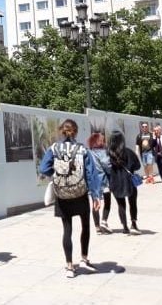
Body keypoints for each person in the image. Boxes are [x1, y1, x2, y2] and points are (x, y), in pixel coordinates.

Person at [39, 119, 102, 278]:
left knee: (67, 230)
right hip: (80, 194)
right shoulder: (82, 150)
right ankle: (84, 259)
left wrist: (56, 175)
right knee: (85, 226)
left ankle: (69, 266)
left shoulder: (54, 148)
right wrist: (96, 195)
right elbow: (91, 173)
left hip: (62, 195)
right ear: (76, 132)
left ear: (62, 131)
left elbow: (43, 168)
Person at [108, 131, 142, 235]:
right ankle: (134, 224)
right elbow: (137, 166)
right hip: (129, 181)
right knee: (132, 203)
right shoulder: (129, 152)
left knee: (121, 204)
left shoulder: (108, 154)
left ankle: (125, 227)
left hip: (115, 182)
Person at [87, 133, 112, 235]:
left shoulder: (88, 152)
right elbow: (107, 166)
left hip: (93, 183)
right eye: (102, 140)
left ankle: (97, 227)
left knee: (95, 203)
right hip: (104, 181)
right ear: (98, 141)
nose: (104, 141)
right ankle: (104, 221)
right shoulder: (103, 152)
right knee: (107, 201)